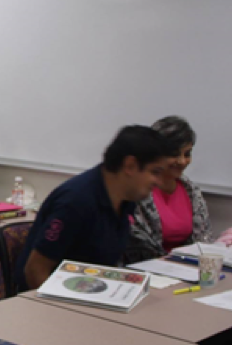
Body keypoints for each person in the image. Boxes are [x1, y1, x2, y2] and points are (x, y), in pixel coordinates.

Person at [15, 125, 173, 291]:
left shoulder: (126, 200)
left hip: (90, 292)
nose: (159, 182)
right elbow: (35, 271)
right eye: (155, 172)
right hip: (51, 303)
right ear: (130, 166)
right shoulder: (76, 201)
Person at [126, 116, 214, 263]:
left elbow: (205, 241)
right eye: (174, 154)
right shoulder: (136, 190)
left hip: (188, 269)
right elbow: (135, 245)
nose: (181, 161)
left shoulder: (191, 191)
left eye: (187, 154)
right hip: (147, 269)